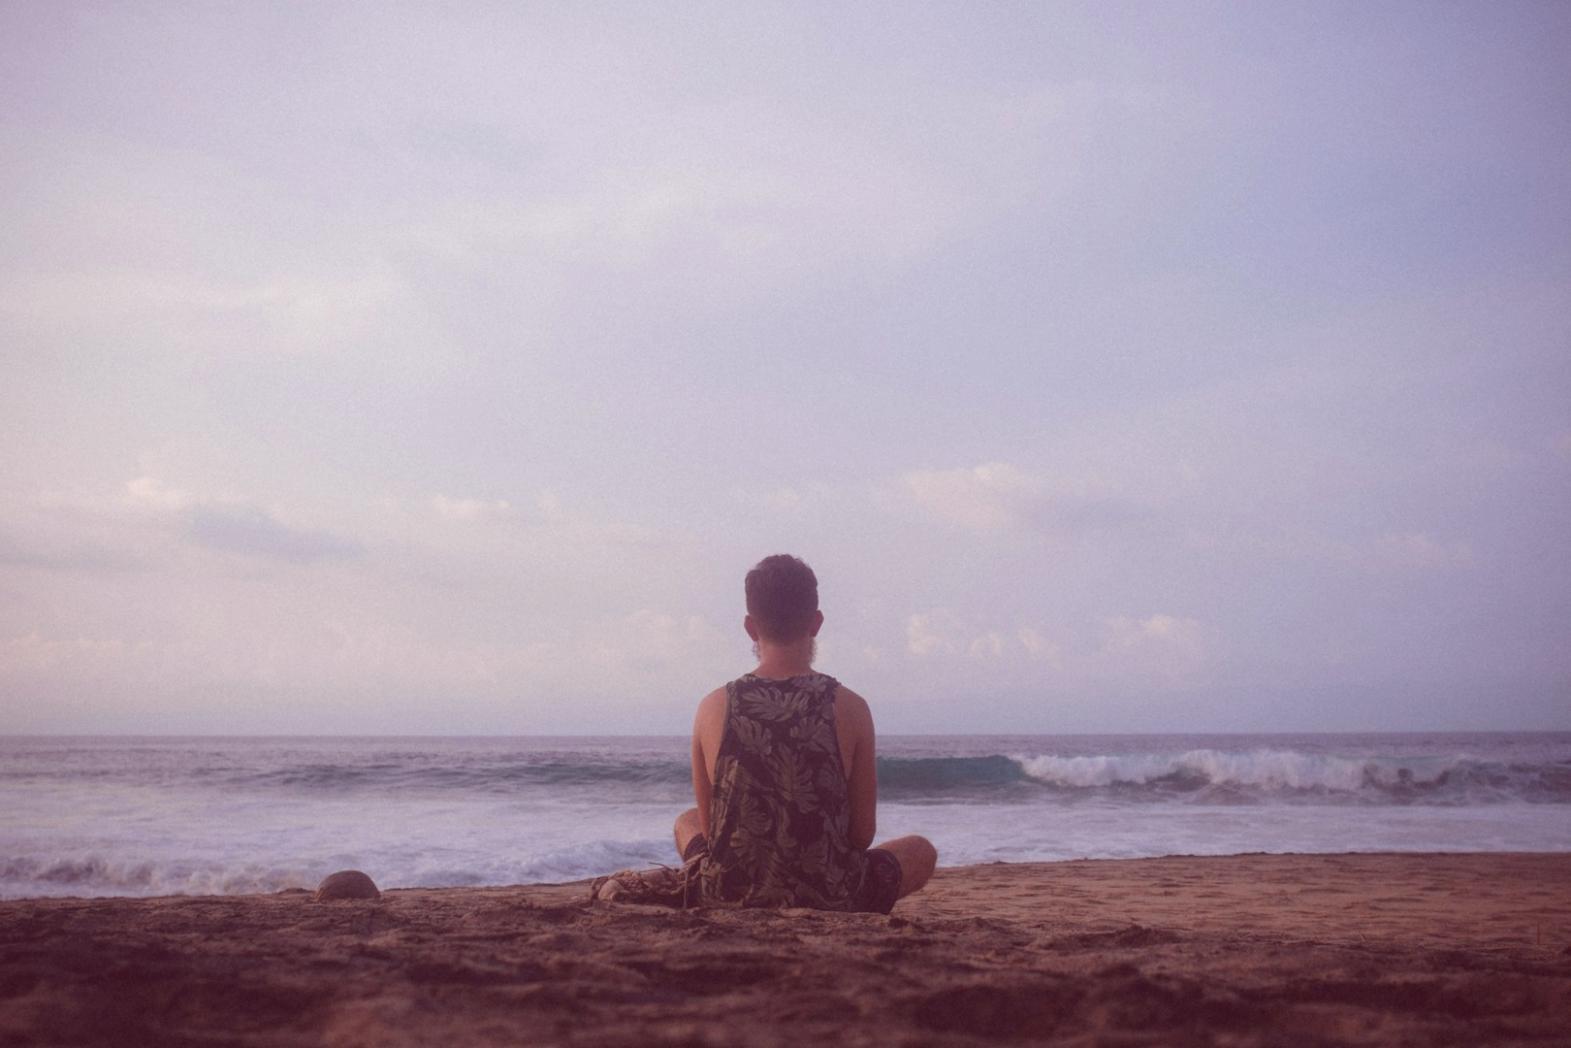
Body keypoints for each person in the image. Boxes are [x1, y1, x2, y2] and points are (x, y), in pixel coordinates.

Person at [673, 554, 937, 913]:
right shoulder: (851, 707)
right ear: (816, 622)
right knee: (920, 850)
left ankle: (688, 886)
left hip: (728, 895)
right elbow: (861, 834)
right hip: (832, 896)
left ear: (750, 627)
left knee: (686, 822)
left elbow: (711, 833)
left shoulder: (712, 707)